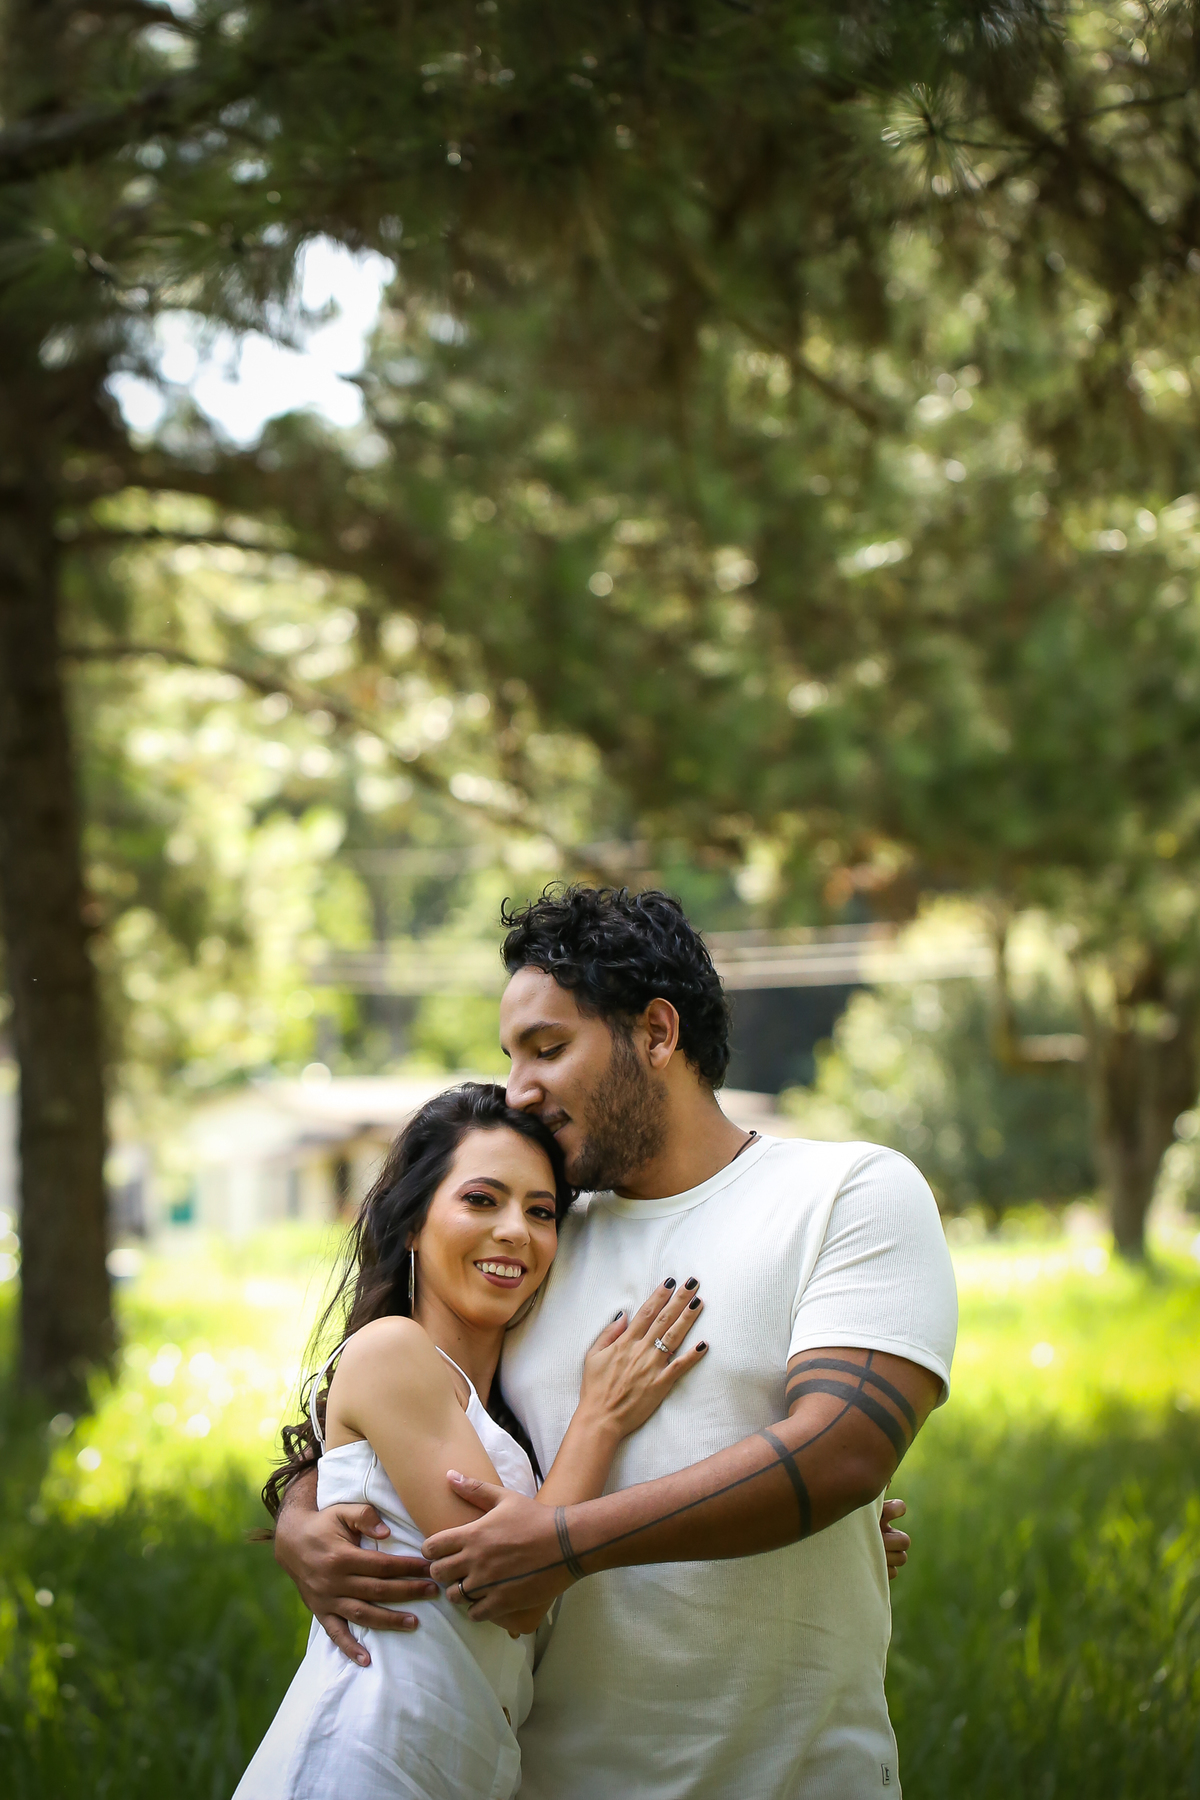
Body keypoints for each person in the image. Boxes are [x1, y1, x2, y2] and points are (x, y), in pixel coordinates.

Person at [275, 887, 958, 1799]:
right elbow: (422, 1395)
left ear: (658, 1033)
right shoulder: (542, 1237)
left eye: (549, 1048)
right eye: (512, 1055)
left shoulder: (847, 1192)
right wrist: (303, 1511)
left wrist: (565, 1544)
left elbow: (843, 1450)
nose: (520, 1087)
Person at [238, 1081, 708, 1800]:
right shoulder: (392, 1351)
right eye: (481, 1200)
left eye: (540, 1211)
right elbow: (511, 1589)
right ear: (411, 1224)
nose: (516, 1230)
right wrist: (600, 1418)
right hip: (362, 1761)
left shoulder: (498, 1408)